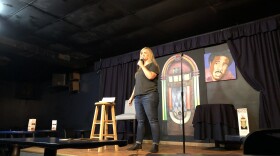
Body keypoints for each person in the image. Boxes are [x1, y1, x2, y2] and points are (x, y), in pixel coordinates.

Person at [127, 47, 160, 153]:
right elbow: (137, 84)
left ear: (149, 54)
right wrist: (132, 97)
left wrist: (141, 65)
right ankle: (138, 143)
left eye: (145, 53)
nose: (142, 54)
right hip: (138, 97)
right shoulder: (140, 69)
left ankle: (155, 145)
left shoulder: (153, 65)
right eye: (141, 53)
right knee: (140, 121)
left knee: (153, 121)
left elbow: (150, 76)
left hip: (149, 95)